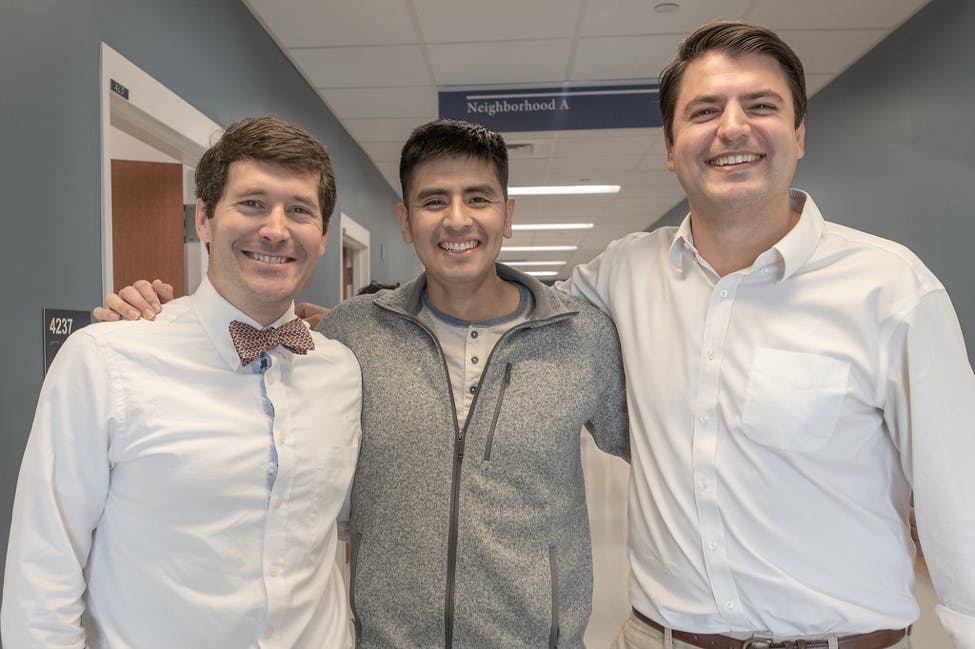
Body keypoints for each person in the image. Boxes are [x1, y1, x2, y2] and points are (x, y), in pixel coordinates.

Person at [90, 119, 629, 648]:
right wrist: (159, 320)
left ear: (507, 214)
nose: (457, 219)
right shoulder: (352, 334)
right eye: (434, 200)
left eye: (479, 198)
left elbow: (668, 457)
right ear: (405, 218)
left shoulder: (582, 337)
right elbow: (249, 351)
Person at [560, 20, 975, 649]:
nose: (732, 128)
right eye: (704, 110)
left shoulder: (892, 289)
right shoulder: (624, 274)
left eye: (761, 106)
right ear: (670, 148)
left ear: (799, 134)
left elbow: (959, 497)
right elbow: (511, 317)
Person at [1, 117, 362, 648]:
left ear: (324, 236)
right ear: (206, 220)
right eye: (252, 203)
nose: (276, 229)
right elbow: (42, 573)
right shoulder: (106, 358)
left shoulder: (341, 370)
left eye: (300, 210)